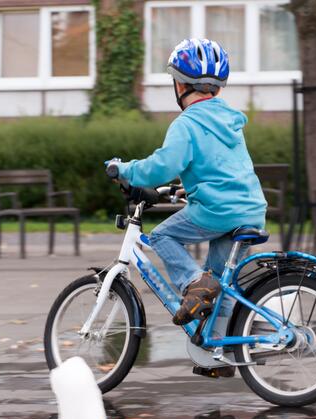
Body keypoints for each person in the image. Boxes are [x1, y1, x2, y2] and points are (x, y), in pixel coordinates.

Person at [110, 38, 267, 328]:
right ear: (219, 87)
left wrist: (125, 170)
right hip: (251, 210)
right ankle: (219, 347)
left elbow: (162, 166)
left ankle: (193, 283)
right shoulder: (229, 121)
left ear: (179, 86)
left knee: (161, 237)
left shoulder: (187, 123)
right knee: (221, 282)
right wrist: (188, 188)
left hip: (217, 212)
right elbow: (224, 167)